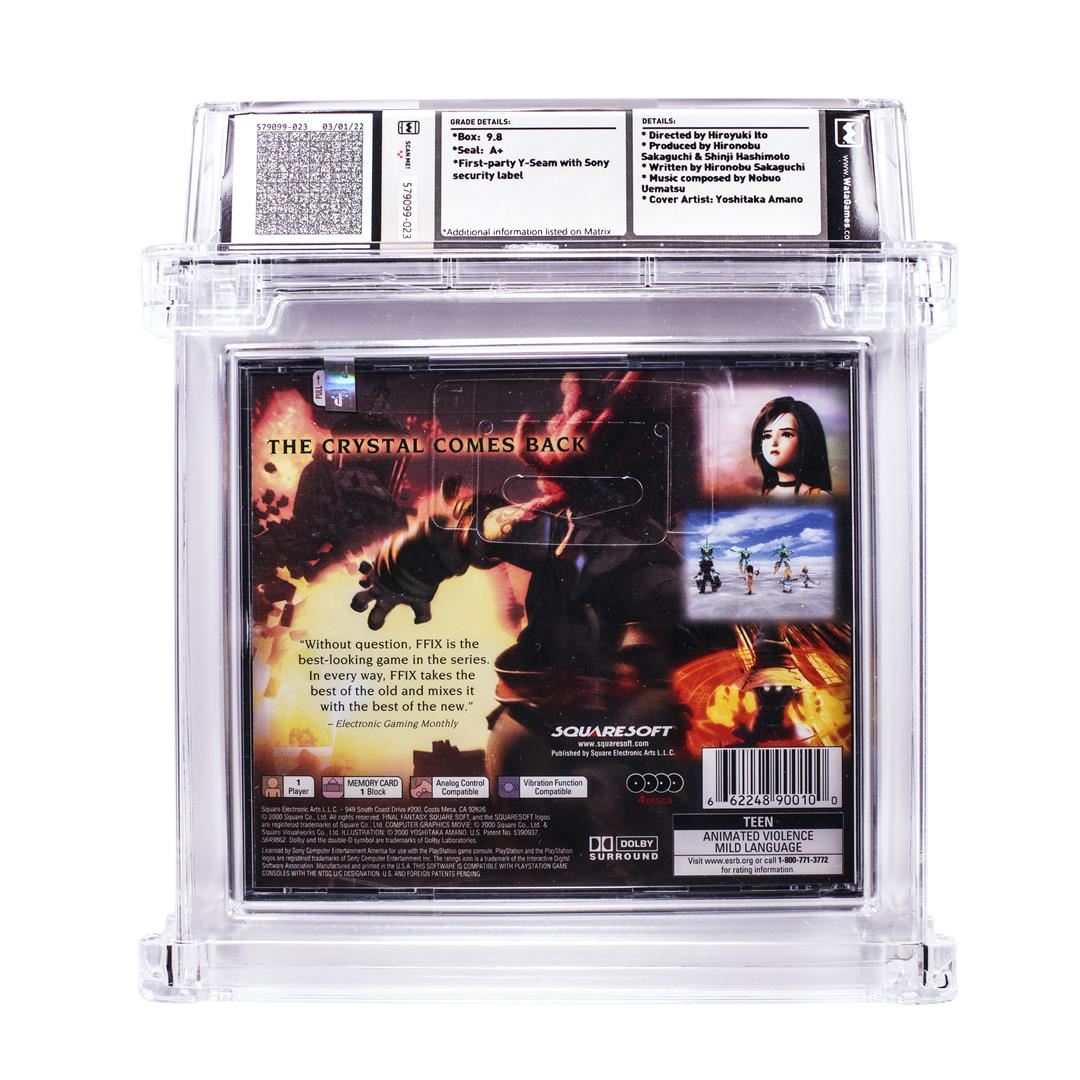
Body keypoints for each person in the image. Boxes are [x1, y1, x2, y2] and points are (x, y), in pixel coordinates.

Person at [750, 396, 832, 496]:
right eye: (767, 436)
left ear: (806, 439)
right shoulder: (763, 494)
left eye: (786, 435)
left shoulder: (819, 496)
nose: (773, 443)